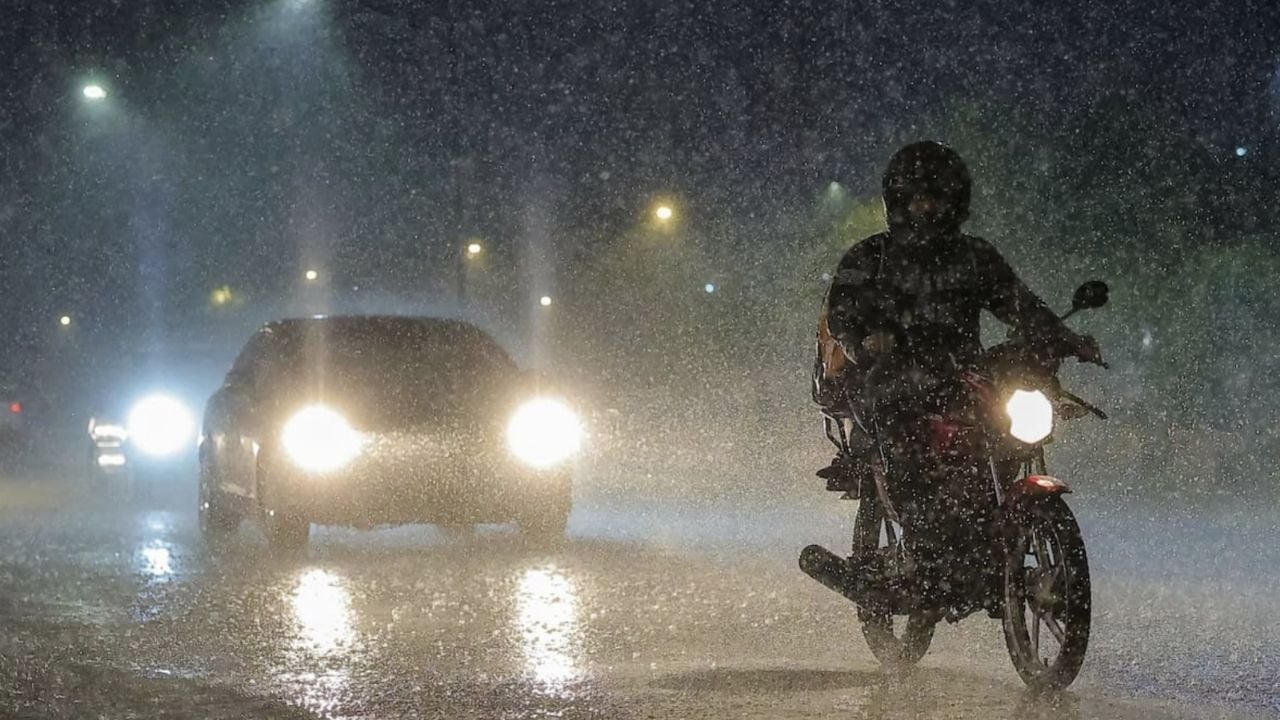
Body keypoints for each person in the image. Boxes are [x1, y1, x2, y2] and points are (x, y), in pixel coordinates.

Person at [813, 141, 1099, 608]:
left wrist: (1066, 338)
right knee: (904, 437)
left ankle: (988, 528)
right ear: (898, 201)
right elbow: (842, 312)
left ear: (956, 201)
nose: (927, 206)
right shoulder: (872, 257)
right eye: (917, 197)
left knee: (1007, 426)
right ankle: (918, 549)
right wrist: (867, 340)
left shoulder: (975, 257)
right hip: (889, 378)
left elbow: (1019, 305)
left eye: (937, 196)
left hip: (960, 376)